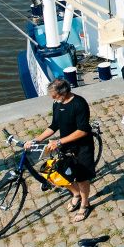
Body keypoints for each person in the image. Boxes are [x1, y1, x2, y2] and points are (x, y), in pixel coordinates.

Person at [27, 79, 96, 222]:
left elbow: (82, 130)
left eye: (54, 96)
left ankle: (85, 203)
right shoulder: (57, 104)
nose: (52, 98)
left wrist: (59, 141)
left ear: (63, 92)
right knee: (61, 174)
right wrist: (37, 140)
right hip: (66, 146)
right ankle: (76, 194)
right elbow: (54, 125)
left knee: (82, 178)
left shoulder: (79, 104)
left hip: (82, 147)